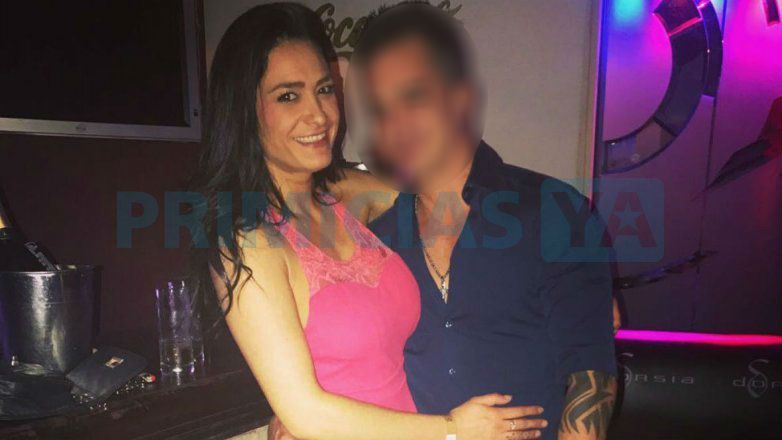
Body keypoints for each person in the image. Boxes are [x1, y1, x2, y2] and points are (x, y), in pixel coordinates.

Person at [191, 3, 548, 440]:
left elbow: (455, 190)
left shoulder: (344, 198)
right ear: (244, 111)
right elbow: (305, 412)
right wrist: (453, 429)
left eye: (324, 90)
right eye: (288, 96)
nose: (319, 115)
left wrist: (566, 274)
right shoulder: (248, 242)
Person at [351, 3, 619, 440]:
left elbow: (590, 375)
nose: (396, 124)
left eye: (413, 96)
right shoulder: (376, 237)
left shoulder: (555, 211)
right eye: (381, 108)